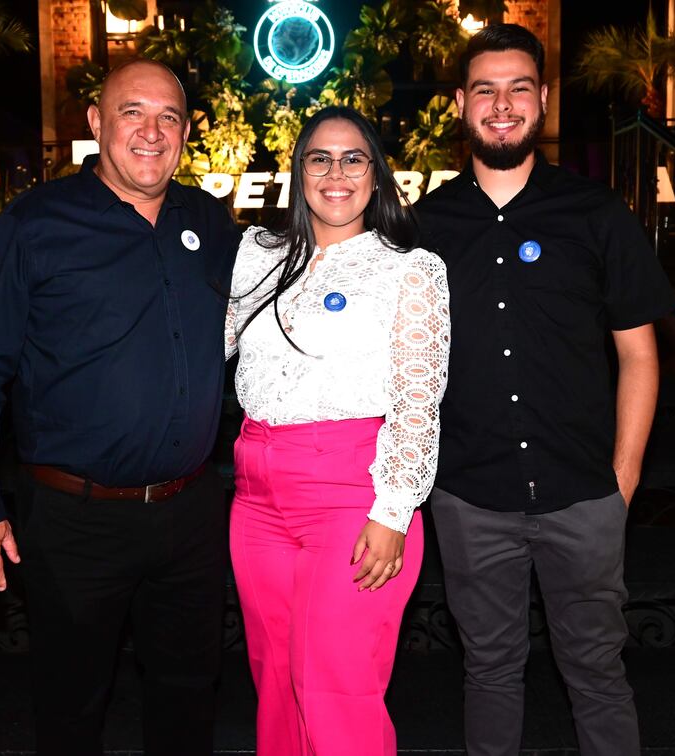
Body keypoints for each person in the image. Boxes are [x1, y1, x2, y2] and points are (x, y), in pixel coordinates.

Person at [0, 59, 240, 756]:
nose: (151, 132)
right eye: (133, 112)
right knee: (71, 707)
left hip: (190, 514)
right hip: (75, 520)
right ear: (98, 122)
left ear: (185, 132)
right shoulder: (34, 225)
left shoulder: (207, 221)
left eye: (168, 117)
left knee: (189, 699)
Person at [414, 24, 675, 756]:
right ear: (461, 103)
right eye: (486, 90)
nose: (502, 105)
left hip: (584, 495)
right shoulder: (425, 227)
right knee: (489, 673)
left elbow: (640, 354)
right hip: (469, 496)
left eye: (519, 88)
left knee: (598, 674)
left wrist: (623, 481)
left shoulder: (596, 213)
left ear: (544, 99)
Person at [225, 105, 450, 756]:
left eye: (354, 159)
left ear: (377, 176)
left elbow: (417, 401)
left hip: (353, 494)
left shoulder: (410, 268)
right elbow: (207, 343)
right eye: (319, 159)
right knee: (276, 684)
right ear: (298, 173)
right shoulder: (256, 254)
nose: (336, 173)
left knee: (333, 691)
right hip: (255, 496)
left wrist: (394, 510)